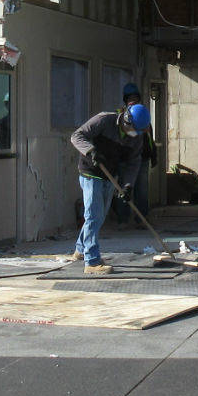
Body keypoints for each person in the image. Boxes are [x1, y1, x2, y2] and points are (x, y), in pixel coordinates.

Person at [68, 101, 149, 274]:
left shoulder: (136, 137)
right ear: (125, 121)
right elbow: (77, 136)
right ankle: (91, 261)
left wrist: (128, 186)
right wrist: (90, 151)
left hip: (110, 175)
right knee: (93, 214)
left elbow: (133, 163)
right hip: (90, 172)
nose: (133, 135)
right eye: (132, 130)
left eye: (137, 132)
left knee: (99, 216)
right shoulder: (104, 120)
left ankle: (80, 249)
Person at [114, 83, 157, 229]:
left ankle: (141, 218)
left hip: (142, 158)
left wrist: (154, 154)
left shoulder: (142, 116)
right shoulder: (123, 117)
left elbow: (150, 138)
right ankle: (123, 219)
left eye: (135, 98)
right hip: (125, 159)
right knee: (124, 189)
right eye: (130, 98)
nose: (132, 100)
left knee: (142, 190)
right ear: (125, 100)